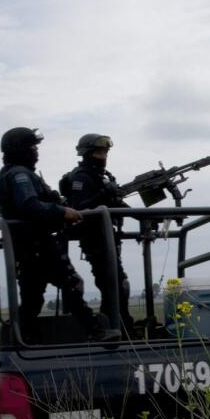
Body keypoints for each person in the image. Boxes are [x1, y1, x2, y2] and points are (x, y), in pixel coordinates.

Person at [0, 127, 116, 343]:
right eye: (32, 147)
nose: (36, 152)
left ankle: (22, 337)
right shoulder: (19, 175)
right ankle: (95, 331)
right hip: (37, 243)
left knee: (32, 298)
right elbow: (29, 205)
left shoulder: (12, 174)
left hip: (26, 244)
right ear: (20, 149)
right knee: (71, 283)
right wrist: (62, 212)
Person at [59, 133, 137, 336]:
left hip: (107, 238)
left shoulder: (101, 176)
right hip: (94, 239)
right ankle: (117, 328)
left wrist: (144, 218)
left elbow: (117, 204)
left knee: (116, 285)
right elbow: (79, 208)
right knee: (115, 285)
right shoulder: (81, 177)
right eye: (98, 152)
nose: (103, 156)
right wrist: (104, 195)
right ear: (87, 153)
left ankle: (119, 326)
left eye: (105, 152)